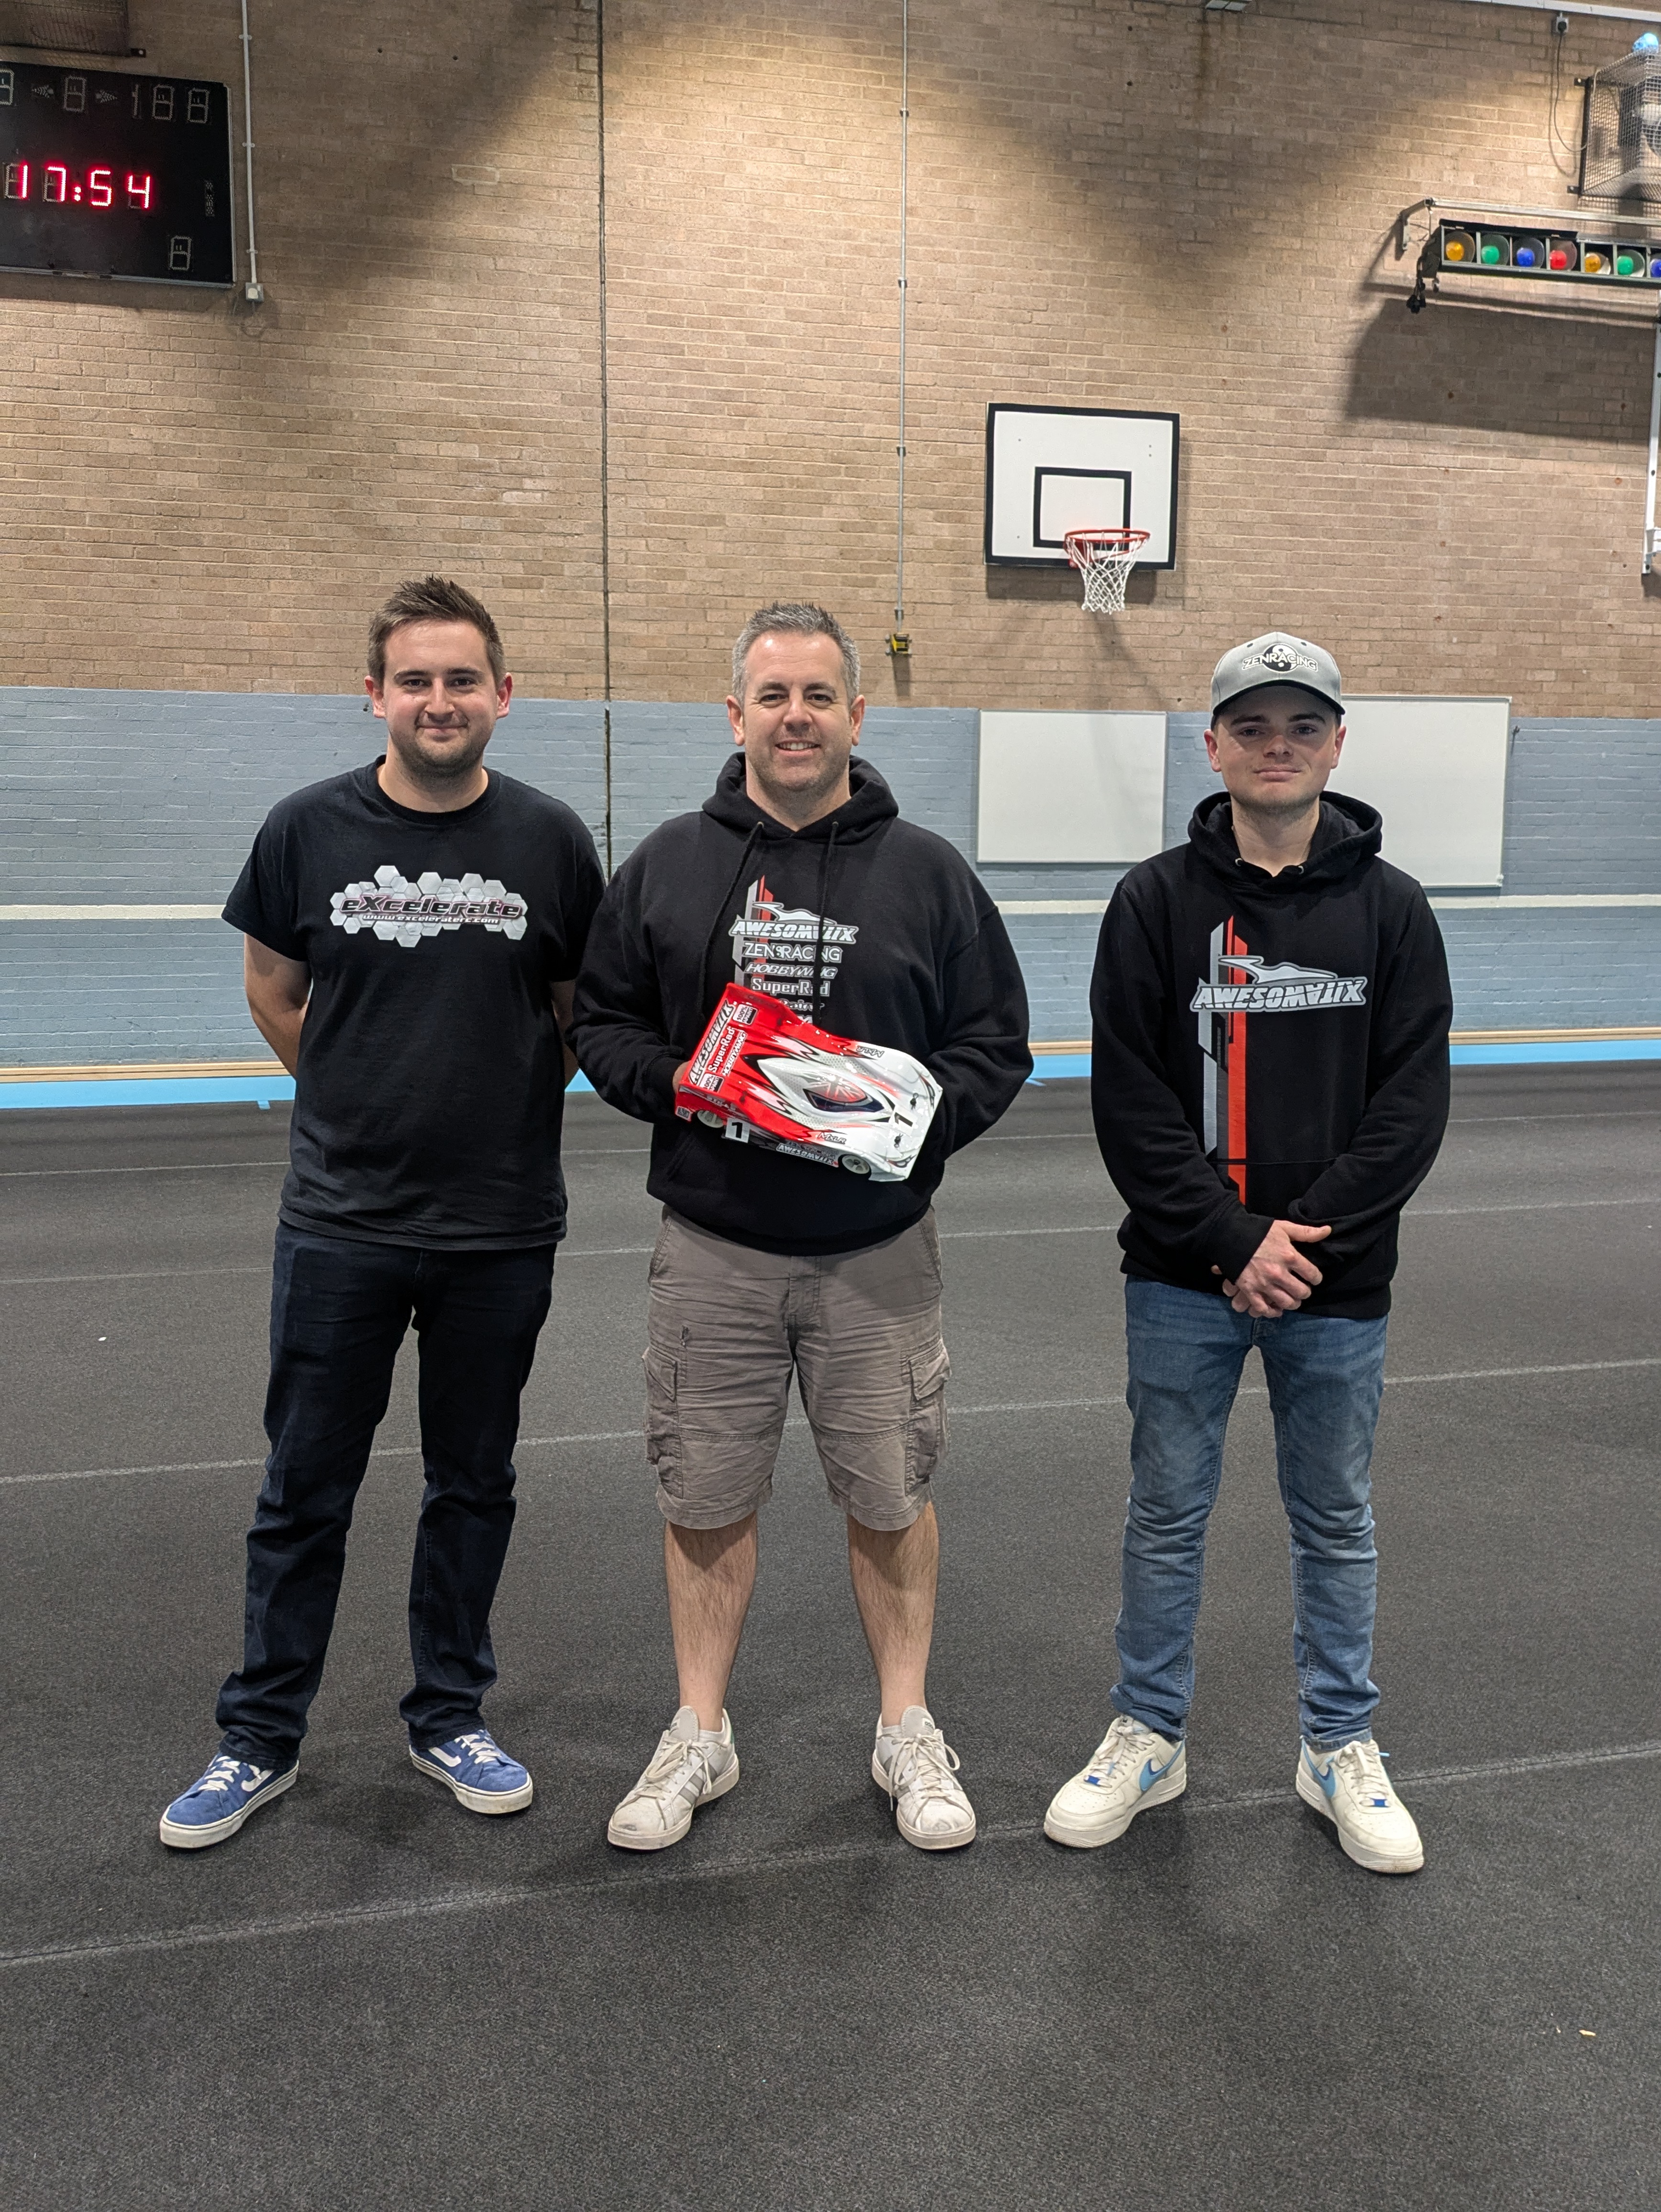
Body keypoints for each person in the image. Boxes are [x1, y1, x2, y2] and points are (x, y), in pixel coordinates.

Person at [570, 602, 1030, 1854]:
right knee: (705, 1494)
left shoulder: (930, 874)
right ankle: (699, 1731)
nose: (795, 718)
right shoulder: (667, 864)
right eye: (772, 696)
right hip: (713, 1249)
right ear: (734, 716)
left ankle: (905, 1727)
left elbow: (995, 1044)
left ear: (857, 716)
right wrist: (683, 1085)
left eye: (819, 696)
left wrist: (910, 1126)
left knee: (890, 1492)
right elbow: (602, 1023)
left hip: (876, 1254)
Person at [159, 576, 605, 1849]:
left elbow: (577, 1011)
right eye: (415, 680)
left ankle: (448, 1714)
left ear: (503, 695)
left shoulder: (552, 841)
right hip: (340, 1224)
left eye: (462, 679)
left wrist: (496, 1106)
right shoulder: (305, 828)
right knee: (304, 1486)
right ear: (375, 696)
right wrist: (355, 1096)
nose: (438, 700)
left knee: (473, 1483)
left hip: (499, 1228)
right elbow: (273, 987)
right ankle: (260, 1735)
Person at [1045, 632, 1451, 1874]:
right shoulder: (1153, 904)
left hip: (1338, 1284)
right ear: (1215, 746)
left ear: (1337, 744)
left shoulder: (1392, 909)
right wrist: (1230, 1241)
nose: (1280, 748)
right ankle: (1149, 1733)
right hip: (1184, 1279)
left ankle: (1338, 1743)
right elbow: (1131, 1103)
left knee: (1335, 1517)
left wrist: (1298, 1244)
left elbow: (1410, 1107)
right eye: (1254, 728)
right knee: (1167, 1514)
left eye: (1303, 727)